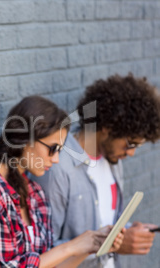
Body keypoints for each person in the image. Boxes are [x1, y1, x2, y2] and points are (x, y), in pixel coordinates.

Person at [33, 73, 160, 268]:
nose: (132, 153)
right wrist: (112, 245)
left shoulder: (113, 161)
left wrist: (127, 232)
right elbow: (43, 254)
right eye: (131, 143)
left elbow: (105, 223)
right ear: (108, 127)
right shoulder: (56, 168)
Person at [0, 95, 124, 268]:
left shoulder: (35, 193)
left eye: (59, 150)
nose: (56, 160)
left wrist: (91, 245)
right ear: (24, 139)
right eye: (53, 149)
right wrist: (71, 247)